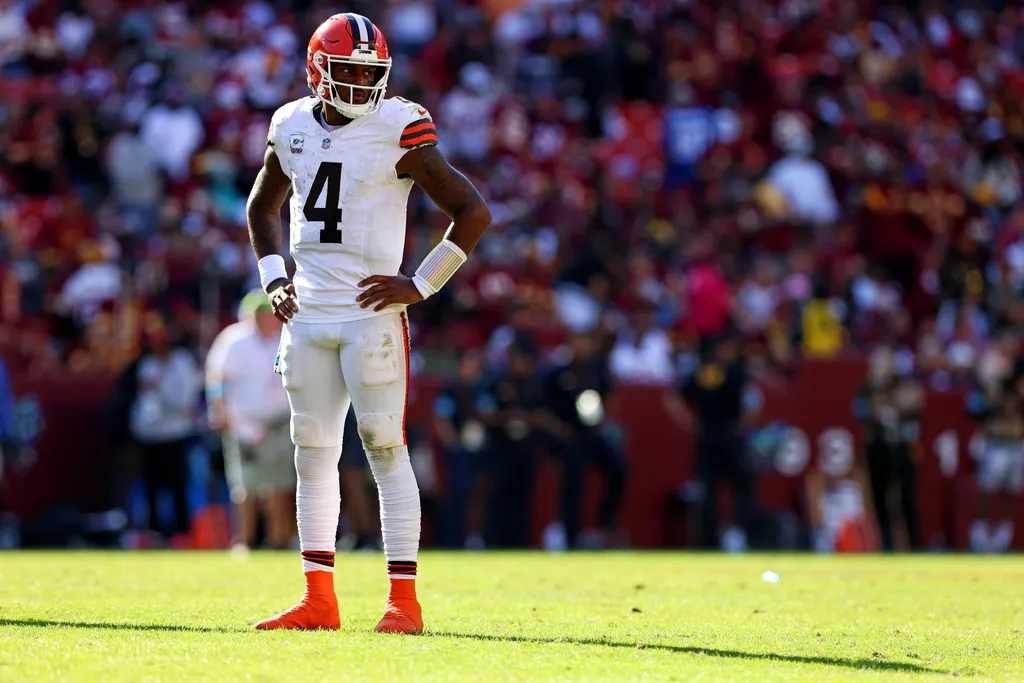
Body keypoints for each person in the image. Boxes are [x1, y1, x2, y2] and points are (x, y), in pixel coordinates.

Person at [247, 13, 491, 634]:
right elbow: (262, 207)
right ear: (317, 70)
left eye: (368, 72)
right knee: (312, 453)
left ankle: (403, 602)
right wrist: (274, 278)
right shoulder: (291, 124)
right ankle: (318, 599)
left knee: (384, 446)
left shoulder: (399, 126)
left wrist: (422, 282)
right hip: (307, 313)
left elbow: (472, 211)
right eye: (348, 70)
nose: (360, 83)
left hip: (371, 315)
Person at [205, 290, 294, 551]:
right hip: (241, 424)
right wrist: (219, 412)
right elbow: (218, 378)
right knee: (245, 486)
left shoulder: (282, 337)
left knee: (279, 485)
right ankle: (244, 540)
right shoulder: (234, 339)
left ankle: (278, 541)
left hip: (278, 424)